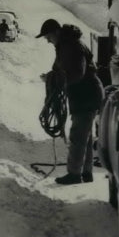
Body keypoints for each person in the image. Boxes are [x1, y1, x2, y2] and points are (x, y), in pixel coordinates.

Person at [36, 18, 105, 185]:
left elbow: (76, 74)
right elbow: (59, 69)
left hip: (86, 94)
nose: (47, 40)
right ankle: (86, 173)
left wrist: (53, 79)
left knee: (77, 136)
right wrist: (51, 76)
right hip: (84, 94)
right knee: (86, 137)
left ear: (56, 33)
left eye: (48, 37)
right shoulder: (64, 46)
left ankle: (74, 174)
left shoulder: (72, 46)